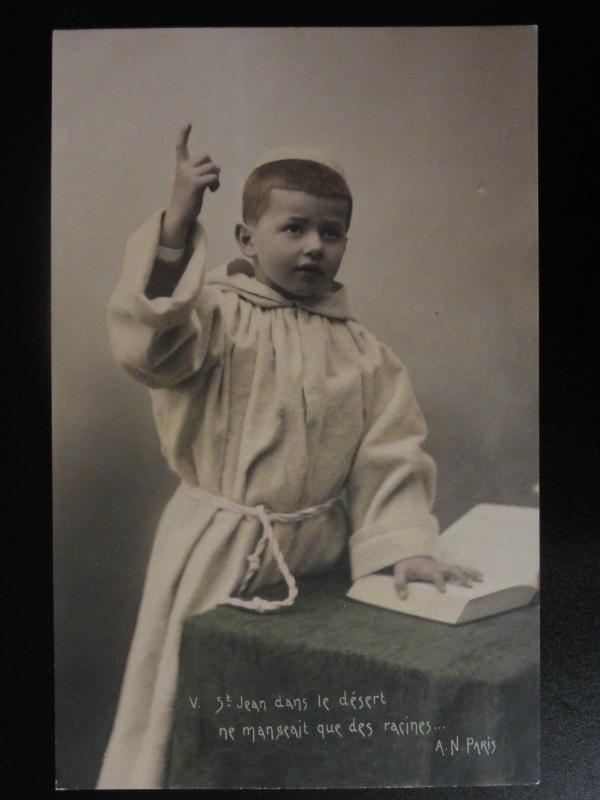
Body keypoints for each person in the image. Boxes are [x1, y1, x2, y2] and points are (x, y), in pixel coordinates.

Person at [97, 125, 482, 789]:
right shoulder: (213, 318)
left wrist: (404, 545)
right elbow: (148, 346)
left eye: (330, 233)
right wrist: (178, 223)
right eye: (294, 228)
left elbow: (389, 455)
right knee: (191, 713)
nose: (313, 247)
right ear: (247, 239)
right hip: (218, 551)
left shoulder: (364, 353)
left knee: (296, 723)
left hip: (323, 563)